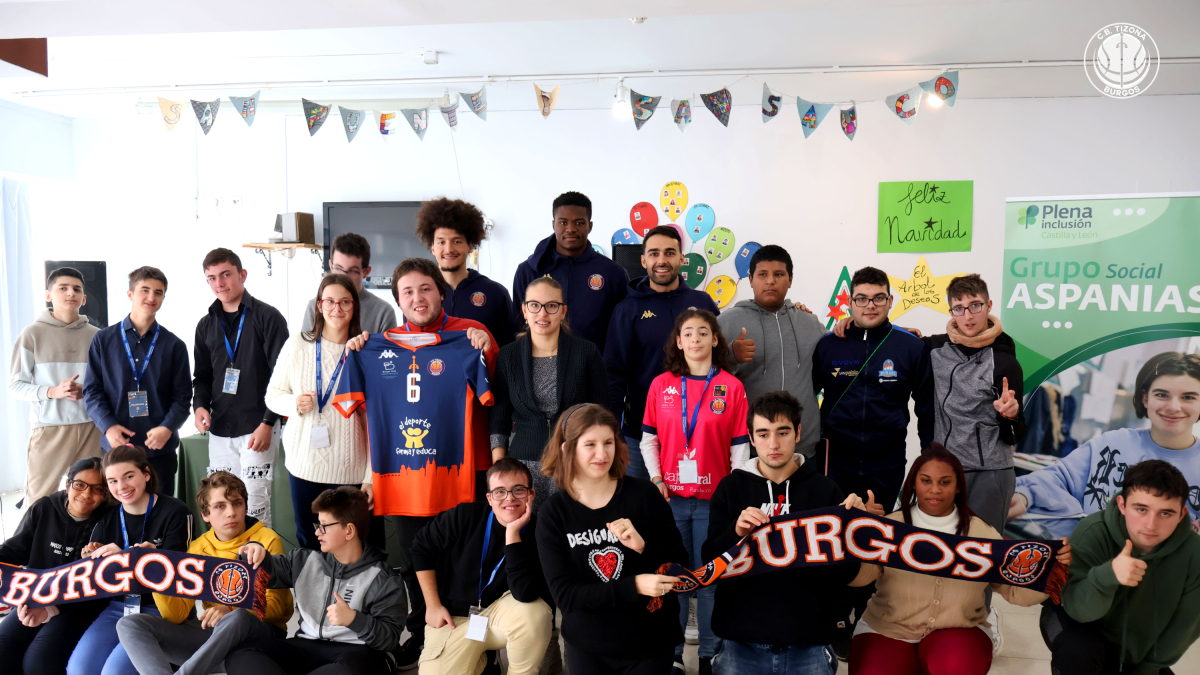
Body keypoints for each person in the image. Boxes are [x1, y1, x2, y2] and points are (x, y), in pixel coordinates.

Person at [342, 257, 499, 670]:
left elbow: (493, 387)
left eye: (425, 289)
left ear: (440, 292)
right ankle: (424, 628)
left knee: (464, 554)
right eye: (408, 292)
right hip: (405, 475)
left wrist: (483, 349)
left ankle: (471, 638)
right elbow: (355, 409)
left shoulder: (471, 334)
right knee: (415, 557)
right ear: (398, 300)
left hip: (463, 468)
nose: (418, 298)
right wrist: (356, 351)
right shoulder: (377, 343)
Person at [846, 443, 1070, 675]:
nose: (935, 489)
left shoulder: (981, 532)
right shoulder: (891, 526)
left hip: (960, 628)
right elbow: (859, 579)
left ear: (958, 487)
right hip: (887, 627)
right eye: (926, 481)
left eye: (945, 482)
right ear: (913, 483)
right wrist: (858, 536)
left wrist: (1054, 570)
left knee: (955, 668)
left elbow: (1013, 590)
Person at [702, 391, 869, 675]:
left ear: (798, 433)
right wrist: (735, 532)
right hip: (741, 643)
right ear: (751, 438)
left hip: (810, 644)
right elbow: (709, 566)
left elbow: (847, 575)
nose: (774, 444)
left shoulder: (825, 491)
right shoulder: (731, 488)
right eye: (763, 434)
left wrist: (857, 529)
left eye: (783, 432)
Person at [535, 403, 687, 675]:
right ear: (567, 448)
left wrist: (643, 547)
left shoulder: (644, 496)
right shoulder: (553, 513)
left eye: (608, 442)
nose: (601, 453)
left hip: (650, 642)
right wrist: (634, 586)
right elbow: (566, 596)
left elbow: (680, 565)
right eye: (590, 444)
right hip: (589, 647)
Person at [639, 308, 747, 674]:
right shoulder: (661, 385)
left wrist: (731, 494)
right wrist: (656, 480)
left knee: (710, 579)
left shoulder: (731, 387)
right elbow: (647, 441)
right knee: (673, 577)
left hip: (713, 504)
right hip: (670, 500)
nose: (696, 339)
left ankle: (709, 656)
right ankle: (672, 655)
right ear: (679, 341)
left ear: (715, 340)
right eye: (689, 333)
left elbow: (740, 450)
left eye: (704, 332)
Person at [116, 471, 293, 675]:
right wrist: (157, 571)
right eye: (220, 506)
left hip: (260, 639)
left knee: (238, 618)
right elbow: (177, 615)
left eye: (237, 503)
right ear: (205, 515)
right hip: (214, 643)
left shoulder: (267, 539)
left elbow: (277, 609)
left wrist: (230, 610)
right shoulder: (198, 547)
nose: (231, 513)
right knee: (130, 624)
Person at [1010, 352, 1200, 540]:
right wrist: (1026, 494)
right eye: (1162, 394)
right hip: (1087, 564)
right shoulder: (1111, 444)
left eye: (1188, 397)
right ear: (1145, 399)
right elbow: (1059, 478)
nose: (1174, 407)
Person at [230, 486, 407, 675]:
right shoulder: (303, 560)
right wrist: (253, 552)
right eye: (317, 525)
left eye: (324, 526)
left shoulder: (385, 579)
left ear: (349, 530)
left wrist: (355, 619)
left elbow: (389, 639)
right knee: (241, 654)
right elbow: (265, 570)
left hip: (358, 654)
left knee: (353, 671)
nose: (317, 533)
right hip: (306, 646)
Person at [1046, 459, 1200, 675]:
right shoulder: (1093, 531)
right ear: (1122, 505)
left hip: (1132, 650)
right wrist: (1107, 576)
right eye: (1141, 509)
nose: (1150, 524)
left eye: (1165, 513)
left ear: (1182, 514)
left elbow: (1184, 628)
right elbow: (1077, 610)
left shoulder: (1195, 553)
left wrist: (1149, 668)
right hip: (1077, 622)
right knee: (1079, 652)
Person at [410, 457, 553, 675]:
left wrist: (513, 534)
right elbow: (420, 548)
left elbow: (524, 595)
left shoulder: (542, 533)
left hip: (501, 617)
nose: (509, 498)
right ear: (489, 498)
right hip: (454, 618)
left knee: (535, 613)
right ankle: (485, 662)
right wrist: (432, 605)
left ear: (531, 494)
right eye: (499, 492)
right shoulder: (464, 515)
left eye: (518, 490)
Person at [812, 265, 934, 511]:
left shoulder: (911, 346)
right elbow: (807, 395)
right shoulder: (828, 345)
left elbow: (927, 408)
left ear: (890, 301)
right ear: (849, 302)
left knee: (878, 536)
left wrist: (929, 457)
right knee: (833, 533)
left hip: (887, 463)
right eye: (862, 299)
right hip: (835, 462)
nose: (870, 305)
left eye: (878, 298)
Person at [266, 274, 371, 549]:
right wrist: (294, 404)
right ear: (319, 305)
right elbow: (273, 395)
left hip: (352, 471)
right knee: (311, 544)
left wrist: (371, 476)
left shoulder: (365, 350)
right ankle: (312, 594)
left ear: (355, 306)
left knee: (353, 548)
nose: (337, 308)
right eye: (330, 301)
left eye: (345, 302)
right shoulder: (297, 345)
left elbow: (376, 422)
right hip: (305, 467)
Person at [606, 225, 720, 480]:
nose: (662, 260)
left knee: (688, 512)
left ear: (681, 258)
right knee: (642, 510)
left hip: (699, 431)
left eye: (670, 253)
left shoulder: (703, 303)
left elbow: (719, 359)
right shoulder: (627, 310)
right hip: (642, 433)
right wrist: (615, 433)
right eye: (654, 253)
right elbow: (614, 376)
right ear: (644, 260)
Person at [68, 445, 193, 675]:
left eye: (128, 476)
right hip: (119, 606)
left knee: (113, 673)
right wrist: (91, 560)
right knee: (79, 670)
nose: (121, 487)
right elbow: (98, 580)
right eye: (113, 481)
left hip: (159, 608)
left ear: (146, 474)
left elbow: (181, 573)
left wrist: (138, 558)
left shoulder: (175, 511)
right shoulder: (106, 519)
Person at [492, 276, 609, 513]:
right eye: (534, 305)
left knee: (569, 539)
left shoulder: (586, 352)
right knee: (526, 538)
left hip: (575, 464)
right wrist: (499, 468)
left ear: (563, 311)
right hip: (522, 466)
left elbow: (602, 414)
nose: (542, 313)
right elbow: (499, 417)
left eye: (551, 306)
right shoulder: (508, 356)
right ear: (524, 310)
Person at [192, 248, 288, 528]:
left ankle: (260, 569)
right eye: (211, 278)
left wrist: (268, 423)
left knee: (255, 505)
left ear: (242, 275)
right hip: (220, 429)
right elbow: (202, 376)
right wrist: (199, 406)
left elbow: (281, 377)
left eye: (225, 274)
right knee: (222, 504)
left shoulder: (268, 317)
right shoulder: (205, 325)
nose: (219, 283)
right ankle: (227, 566)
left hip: (257, 426)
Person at [83, 267, 191, 494]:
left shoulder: (174, 345)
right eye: (145, 290)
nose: (152, 297)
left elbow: (182, 398)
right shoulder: (103, 340)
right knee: (118, 514)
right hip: (115, 447)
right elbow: (92, 391)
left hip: (159, 451)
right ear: (130, 294)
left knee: (160, 515)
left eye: (159, 292)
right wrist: (108, 427)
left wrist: (168, 428)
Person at [0, 457, 112, 674]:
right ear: (68, 484)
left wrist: (51, 609)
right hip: (36, 598)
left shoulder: (109, 518)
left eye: (98, 489)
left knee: (37, 663)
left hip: (78, 606)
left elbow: (100, 585)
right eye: (80, 485)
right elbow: (15, 549)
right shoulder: (44, 507)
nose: (86, 494)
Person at [718, 245, 826, 459]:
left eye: (778, 274)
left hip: (803, 447)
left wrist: (891, 331)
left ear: (790, 279)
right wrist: (730, 356)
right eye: (762, 274)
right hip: (749, 448)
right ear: (750, 279)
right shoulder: (727, 322)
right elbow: (700, 375)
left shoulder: (809, 322)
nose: (770, 281)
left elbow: (844, 344)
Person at [8, 267, 102, 506]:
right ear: (49, 295)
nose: (71, 293)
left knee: (88, 500)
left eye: (77, 289)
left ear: (84, 298)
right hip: (49, 430)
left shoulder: (98, 337)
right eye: (63, 288)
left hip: (91, 428)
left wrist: (88, 391)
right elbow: (15, 386)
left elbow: (107, 384)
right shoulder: (31, 334)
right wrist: (52, 391)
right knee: (39, 500)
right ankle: (30, 545)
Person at [512, 191, 629, 353]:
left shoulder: (612, 273)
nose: (571, 229)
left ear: (590, 225)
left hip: (595, 370)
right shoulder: (528, 271)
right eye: (563, 222)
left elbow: (621, 333)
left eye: (579, 222)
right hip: (541, 367)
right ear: (554, 224)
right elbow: (518, 326)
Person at [415, 196, 515, 346]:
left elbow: (510, 352)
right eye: (441, 242)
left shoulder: (496, 293)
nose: (448, 249)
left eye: (457, 241)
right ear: (433, 247)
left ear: (470, 245)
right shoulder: (418, 296)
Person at [302, 232, 399, 334]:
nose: (344, 277)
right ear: (330, 266)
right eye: (339, 268)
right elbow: (305, 348)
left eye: (353, 271)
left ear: (366, 272)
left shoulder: (383, 312)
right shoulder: (315, 306)